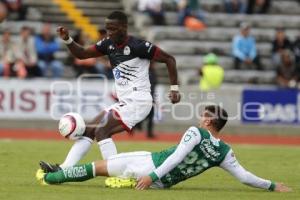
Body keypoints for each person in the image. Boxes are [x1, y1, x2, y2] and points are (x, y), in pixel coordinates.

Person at [39, 11, 180, 172]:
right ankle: (64, 168)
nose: (109, 33)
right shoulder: (108, 44)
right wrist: (67, 39)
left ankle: (116, 174)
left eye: (113, 29)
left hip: (139, 101)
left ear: (124, 27)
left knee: (102, 130)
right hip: (125, 102)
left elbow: (169, 59)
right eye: (107, 29)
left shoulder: (139, 46)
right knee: (90, 129)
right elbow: (82, 54)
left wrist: (174, 88)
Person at [36, 105, 291, 192]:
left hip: (149, 166)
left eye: (205, 115)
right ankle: (124, 180)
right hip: (162, 184)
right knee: (109, 168)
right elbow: (245, 177)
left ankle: (50, 178)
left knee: (95, 168)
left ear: (210, 121)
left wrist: (151, 175)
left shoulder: (196, 132)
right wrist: (271, 185)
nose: (201, 117)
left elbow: (178, 157)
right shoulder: (225, 152)